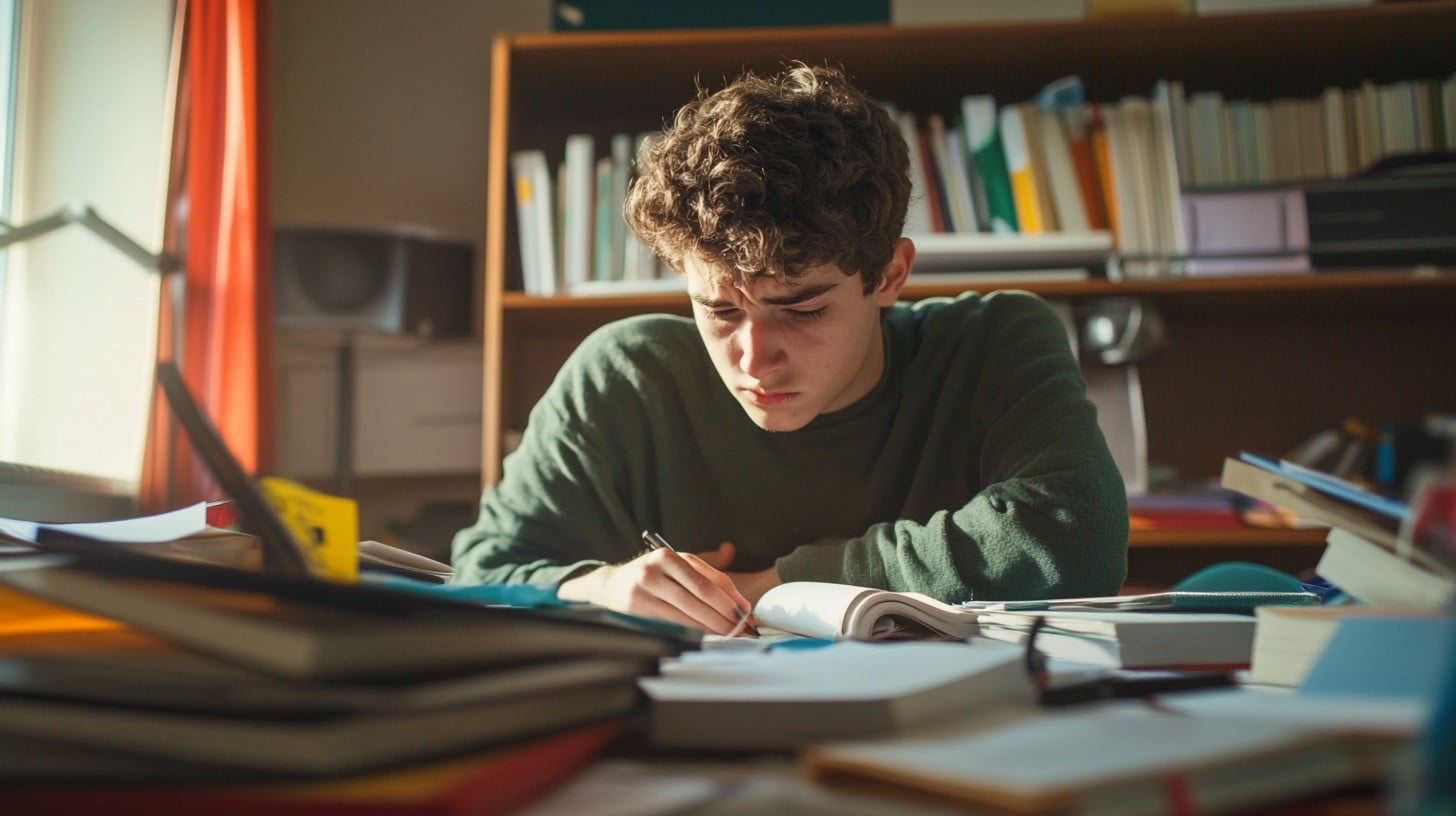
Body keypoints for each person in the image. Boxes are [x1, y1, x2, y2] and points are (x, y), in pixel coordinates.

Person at [451, 63, 1128, 634]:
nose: (752, 356)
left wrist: (768, 587)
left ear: (890, 275)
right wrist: (599, 588)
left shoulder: (994, 341)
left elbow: (1076, 533)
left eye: (801, 309)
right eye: (718, 309)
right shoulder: (623, 377)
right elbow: (479, 573)